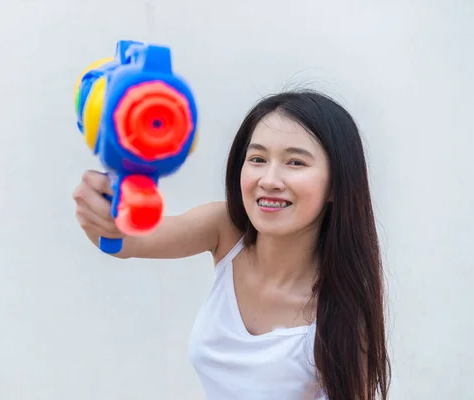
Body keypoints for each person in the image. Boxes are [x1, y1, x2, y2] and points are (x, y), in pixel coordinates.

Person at [73, 90, 391, 399]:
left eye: (295, 163)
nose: (269, 180)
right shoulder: (225, 230)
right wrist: (106, 201)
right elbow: (125, 241)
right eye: (257, 158)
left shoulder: (342, 312)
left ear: (336, 185)